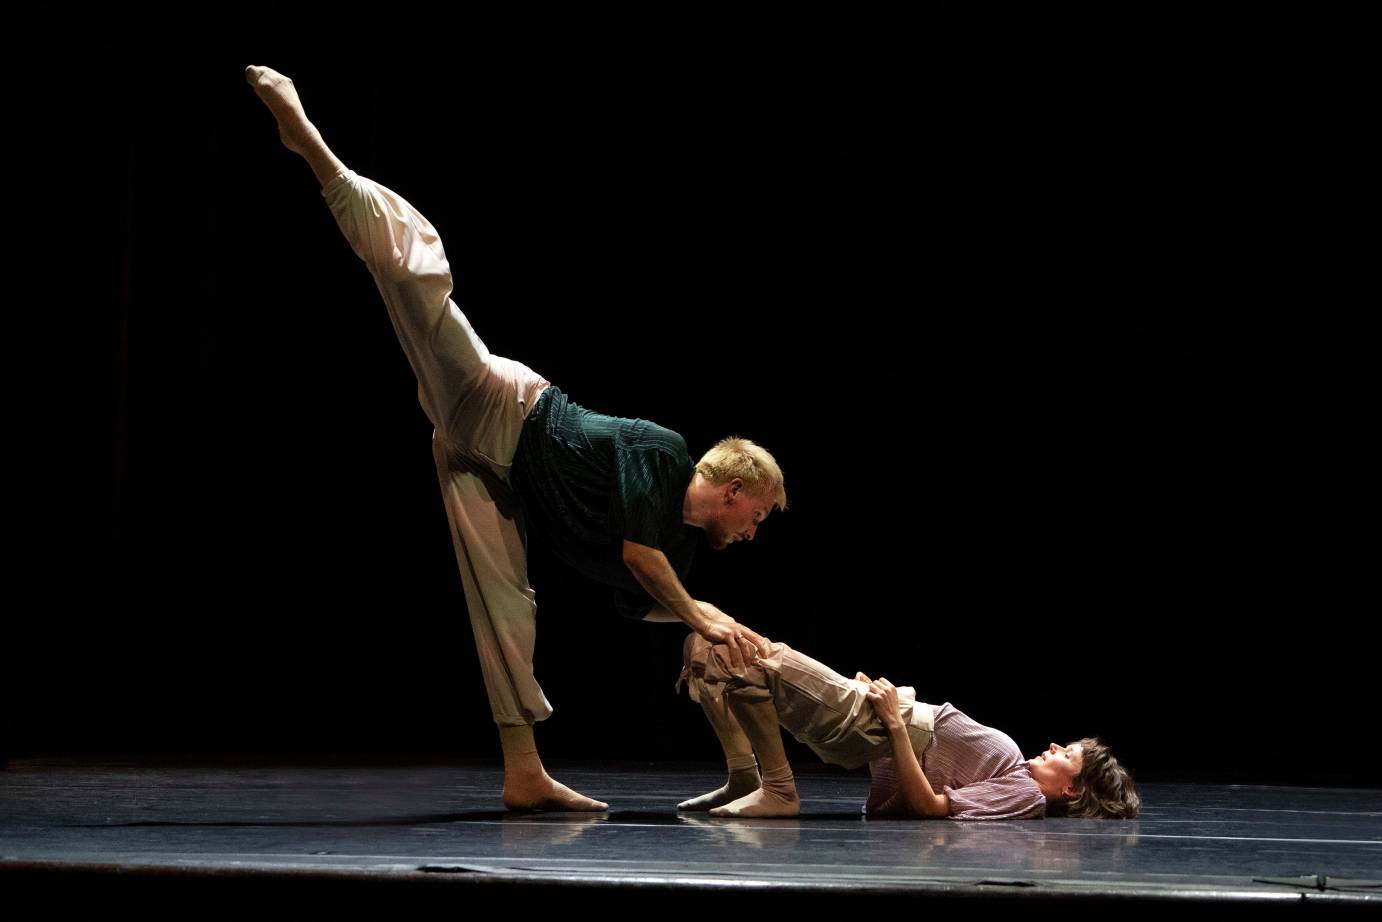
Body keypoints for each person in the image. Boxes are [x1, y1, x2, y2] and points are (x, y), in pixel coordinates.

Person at [245, 66, 787, 812]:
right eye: (755, 515)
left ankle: (523, 773)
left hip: (485, 467)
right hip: (503, 406)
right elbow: (639, 559)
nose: (753, 531)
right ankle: (316, 152)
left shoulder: (680, 552)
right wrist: (700, 612)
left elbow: (648, 592)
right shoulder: (664, 455)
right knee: (418, 284)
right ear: (734, 490)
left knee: (504, 607)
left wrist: (719, 627)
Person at [675, 633, 1141, 820]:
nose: (1055, 745)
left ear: (1073, 791)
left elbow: (934, 806)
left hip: (881, 727)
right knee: (707, 646)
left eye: (1068, 753)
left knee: (750, 658)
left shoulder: (1026, 795)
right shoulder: (1017, 773)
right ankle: (742, 777)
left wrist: (894, 724)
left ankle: (777, 788)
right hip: (879, 721)